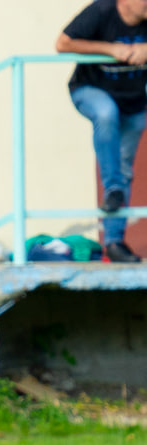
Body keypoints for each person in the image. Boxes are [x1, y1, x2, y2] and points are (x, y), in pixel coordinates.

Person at [56, 0, 147, 263]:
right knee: (106, 114)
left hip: (133, 102)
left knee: (125, 167)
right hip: (90, 91)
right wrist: (113, 49)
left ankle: (115, 242)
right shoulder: (102, 11)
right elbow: (63, 43)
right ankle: (114, 188)